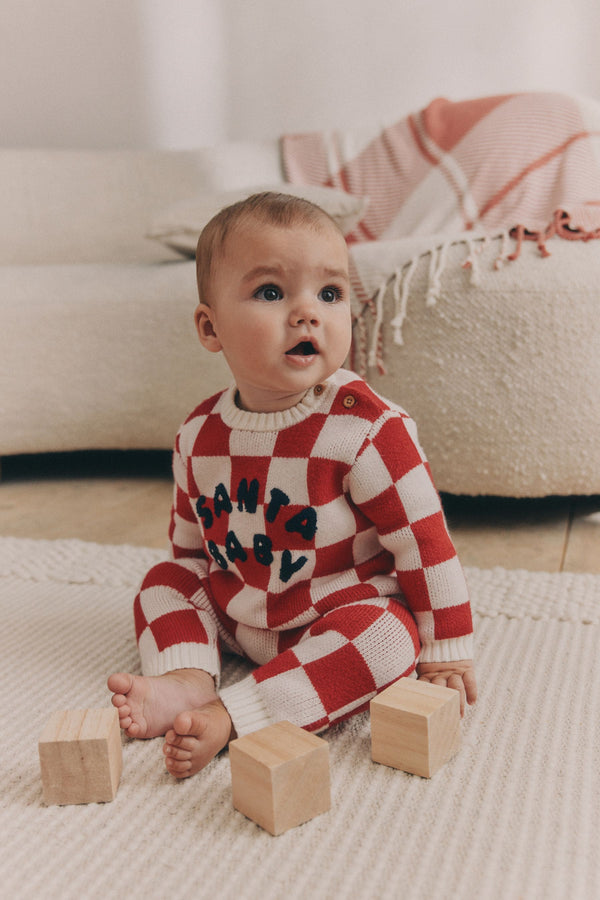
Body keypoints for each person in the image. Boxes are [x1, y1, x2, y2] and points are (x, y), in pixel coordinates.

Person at [108, 191, 477, 778]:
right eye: (272, 293)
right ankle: (184, 678)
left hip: (337, 610)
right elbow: (189, 545)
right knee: (165, 581)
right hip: (240, 612)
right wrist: (192, 613)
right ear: (211, 327)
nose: (308, 313)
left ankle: (235, 713)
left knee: (389, 637)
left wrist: (447, 649)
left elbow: (425, 543)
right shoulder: (199, 433)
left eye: (329, 293)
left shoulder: (364, 427)